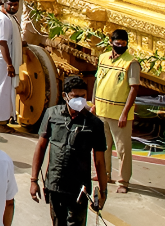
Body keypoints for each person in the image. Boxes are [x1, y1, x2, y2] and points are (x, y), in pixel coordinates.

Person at [29, 75, 107, 226]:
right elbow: (41, 147)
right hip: (55, 184)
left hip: (79, 188)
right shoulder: (52, 114)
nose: (80, 100)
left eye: (83, 96)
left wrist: (103, 192)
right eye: (75, 96)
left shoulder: (95, 124)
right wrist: (34, 180)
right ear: (65, 96)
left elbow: (99, 161)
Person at [93, 29, 140, 194]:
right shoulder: (103, 57)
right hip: (102, 110)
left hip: (119, 114)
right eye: (117, 43)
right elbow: (97, 81)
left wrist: (125, 113)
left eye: (123, 44)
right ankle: (104, 174)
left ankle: (123, 181)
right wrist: (94, 103)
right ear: (111, 42)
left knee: (123, 149)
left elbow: (134, 88)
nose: (120, 46)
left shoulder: (131, 63)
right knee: (103, 146)